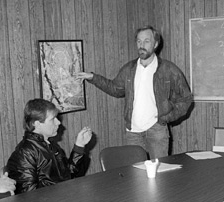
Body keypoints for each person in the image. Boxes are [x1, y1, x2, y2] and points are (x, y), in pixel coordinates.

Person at [76, 25, 193, 159]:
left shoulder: (169, 69)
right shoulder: (129, 69)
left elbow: (186, 99)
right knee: (136, 174)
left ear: (155, 44)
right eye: (139, 41)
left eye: (146, 41)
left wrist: (166, 117)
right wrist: (93, 77)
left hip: (157, 130)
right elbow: (116, 89)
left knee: (160, 173)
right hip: (133, 132)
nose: (141, 45)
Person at [6, 99, 92, 194]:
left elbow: (70, 176)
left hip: (63, 199)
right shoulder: (25, 153)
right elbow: (28, 196)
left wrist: (79, 146)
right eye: (53, 119)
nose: (58, 122)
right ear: (37, 124)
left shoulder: (50, 145)